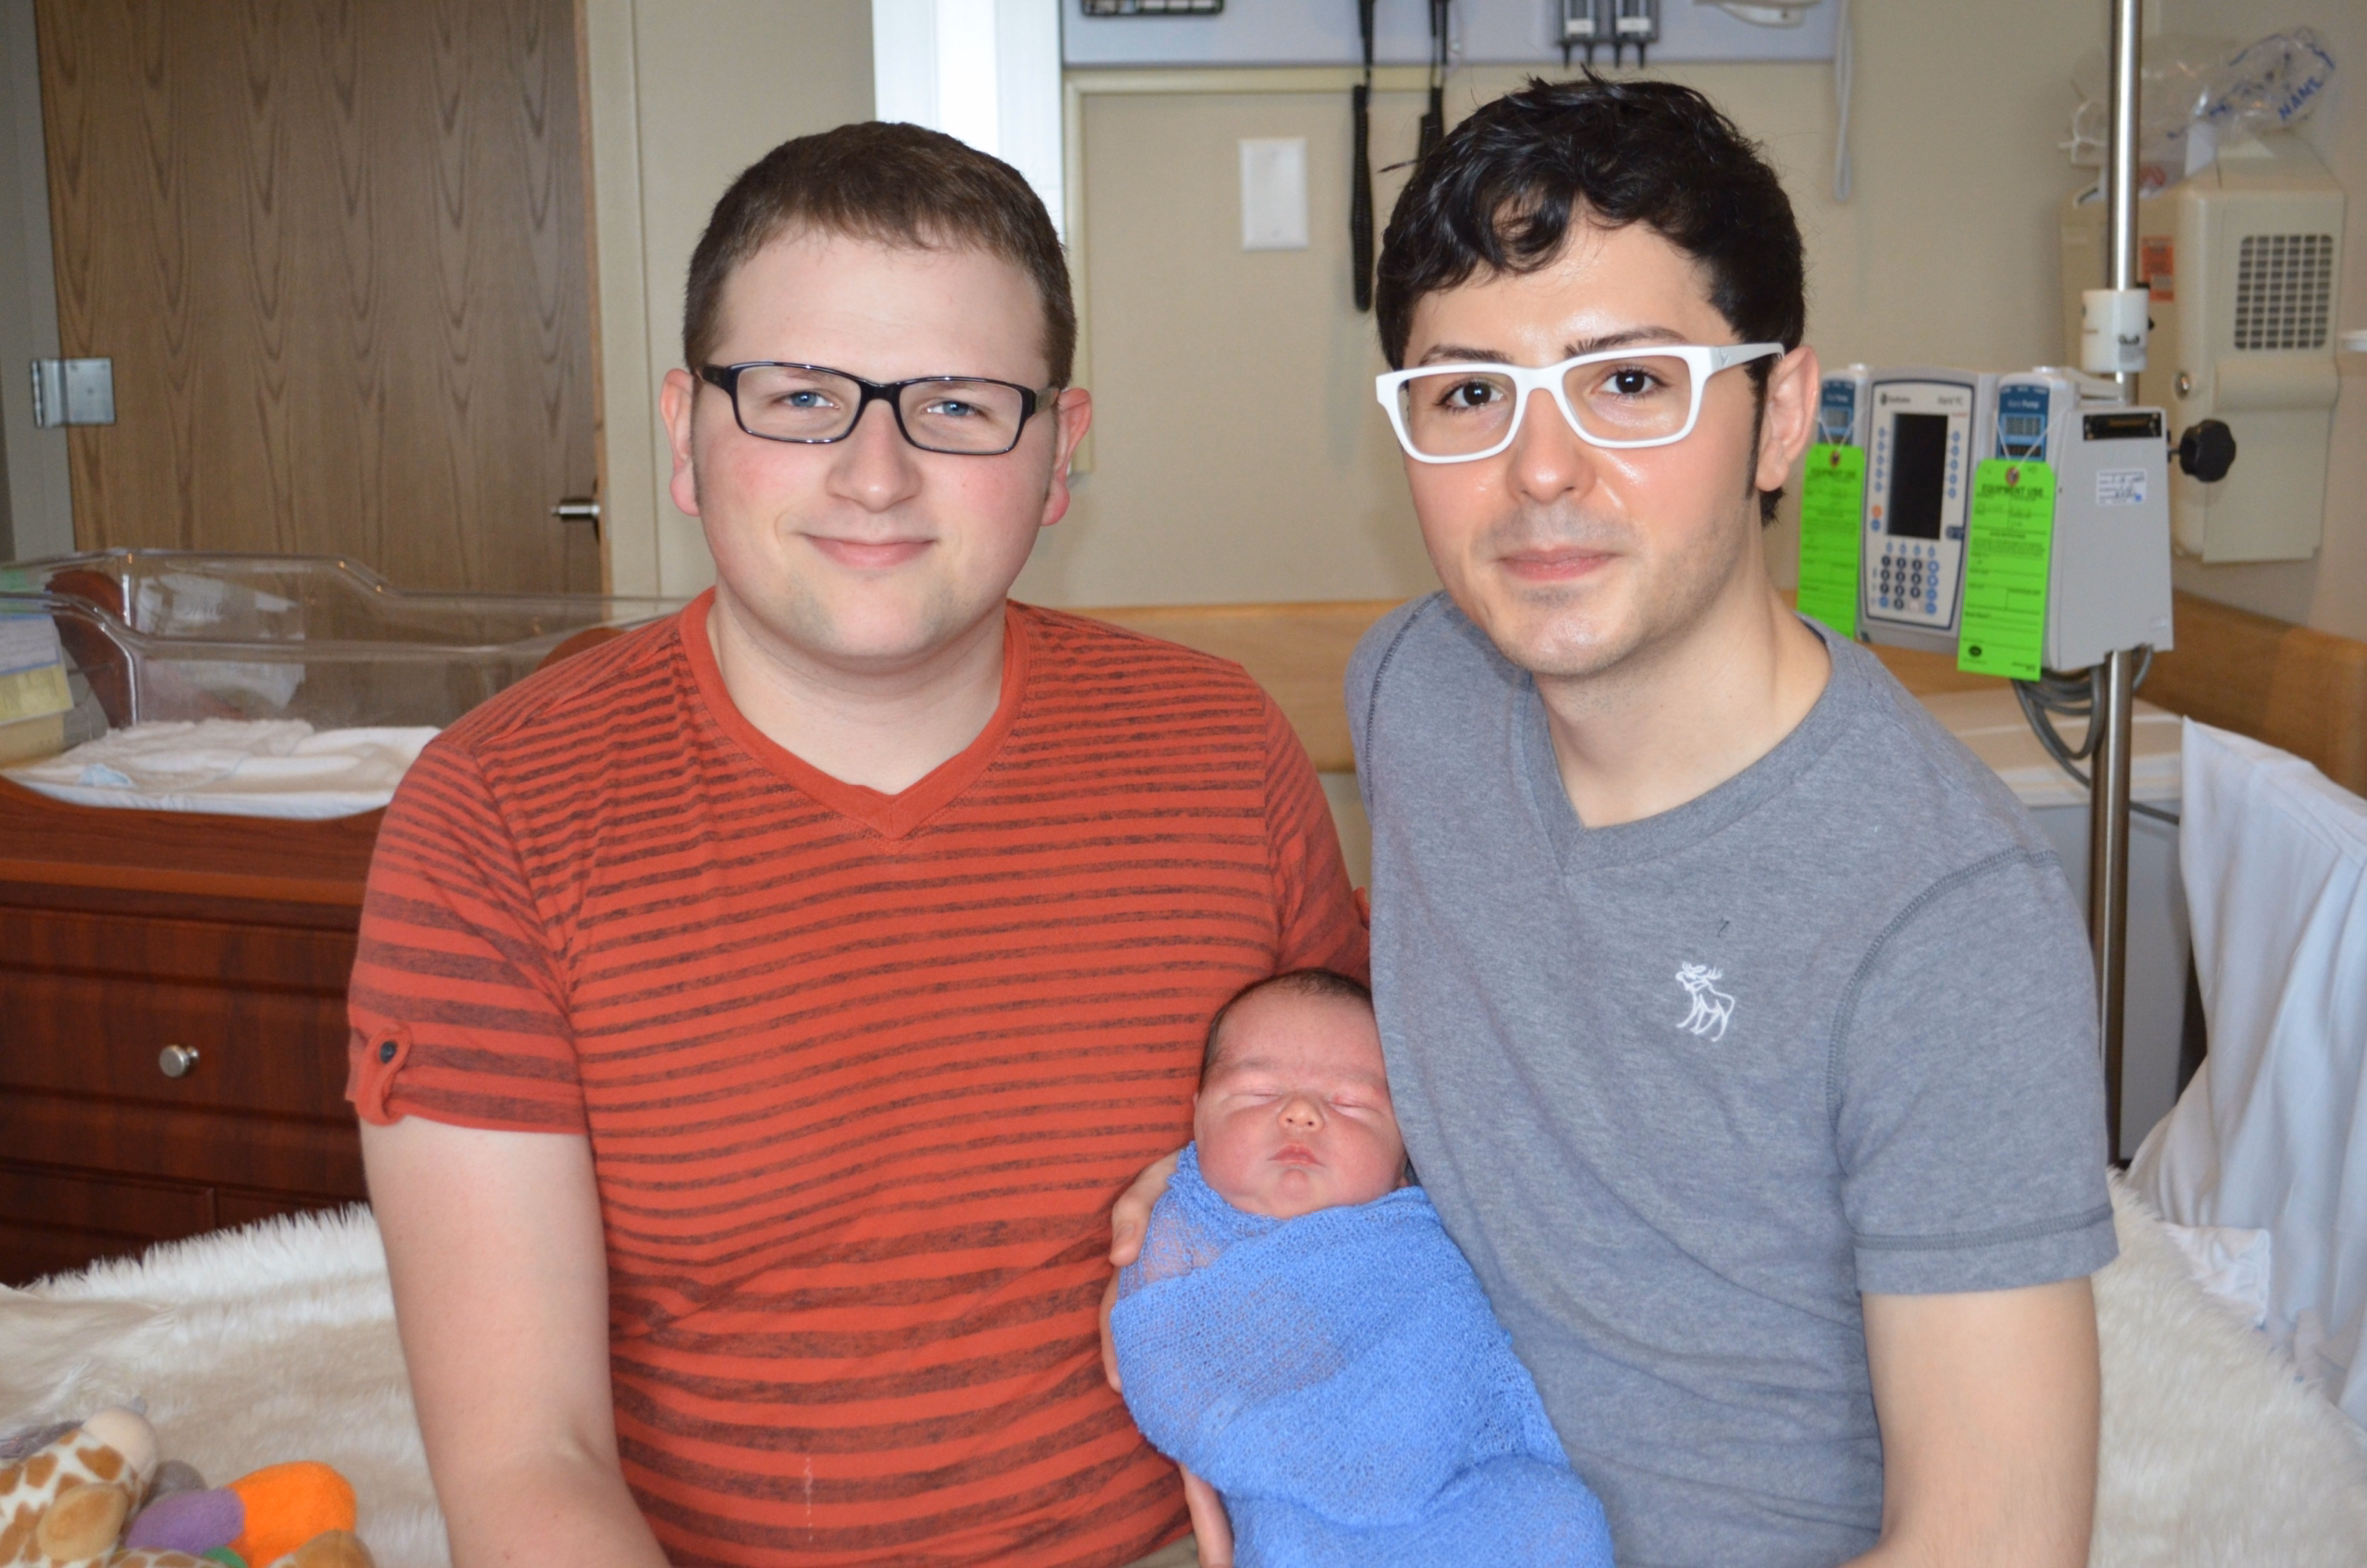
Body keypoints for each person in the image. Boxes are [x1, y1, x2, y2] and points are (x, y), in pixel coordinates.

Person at [1113, 76, 2114, 1568]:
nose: (1539, 472)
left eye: (1627, 381)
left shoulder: (1944, 911)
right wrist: (1216, 1207)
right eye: (1469, 393)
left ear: (1781, 417)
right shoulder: (1416, 697)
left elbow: (1997, 1539)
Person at [349, 122, 1365, 1568]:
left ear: (1059, 453)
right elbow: (530, 1465)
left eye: (958, 405)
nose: (876, 473)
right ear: (688, 437)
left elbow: (1395, 1199)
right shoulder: (495, 818)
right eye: (801, 397)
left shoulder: (1222, 752)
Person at [1110, 972, 1614, 1568]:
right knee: (1294, 1547)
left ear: (1405, 1152)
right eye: (1257, 1093)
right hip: (1296, 1488)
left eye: (1349, 1103)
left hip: (1457, 1470)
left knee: (1556, 1516)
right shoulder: (1186, 1220)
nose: (1300, 1113)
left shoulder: (1412, 1218)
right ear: (1197, 1118)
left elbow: (1454, 1348)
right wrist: (1247, 1440)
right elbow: (1154, 1352)